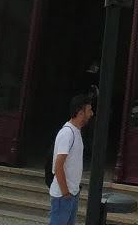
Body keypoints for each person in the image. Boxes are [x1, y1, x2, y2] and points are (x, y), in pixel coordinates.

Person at [50, 94, 94, 225]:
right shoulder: (67, 133)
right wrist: (65, 193)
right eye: (89, 110)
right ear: (80, 113)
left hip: (71, 193)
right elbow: (58, 166)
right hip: (64, 195)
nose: (91, 114)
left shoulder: (76, 132)